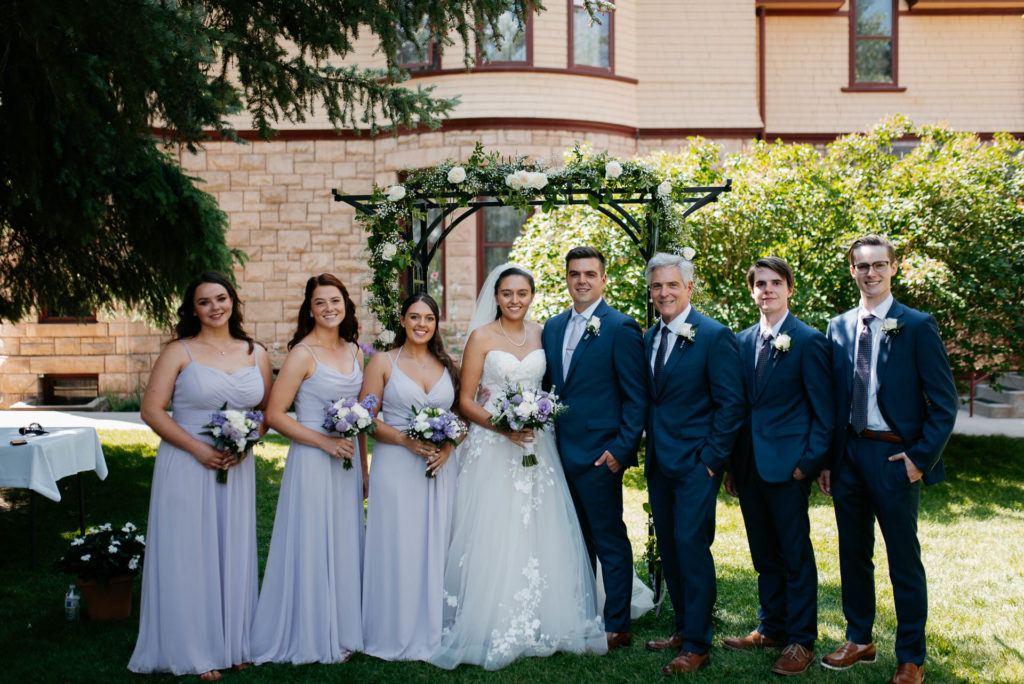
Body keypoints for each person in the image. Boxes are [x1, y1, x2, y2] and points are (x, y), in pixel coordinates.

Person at [429, 265, 607, 670]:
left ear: (531, 295)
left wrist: (535, 417)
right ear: (496, 297)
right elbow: (466, 400)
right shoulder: (481, 337)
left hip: (537, 443)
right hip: (494, 445)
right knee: (496, 524)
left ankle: (549, 612)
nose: (514, 301)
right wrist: (502, 426)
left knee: (542, 523)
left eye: (522, 293)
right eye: (507, 294)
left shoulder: (544, 332)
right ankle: (490, 611)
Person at [818, 235, 957, 684]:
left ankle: (910, 655)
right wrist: (827, 459)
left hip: (896, 455)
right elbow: (833, 400)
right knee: (852, 553)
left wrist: (920, 459)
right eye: (862, 266)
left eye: (879, 265)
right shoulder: (837, 326)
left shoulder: (916, 325)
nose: (871, 273)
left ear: (893, 268)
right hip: (849, 456)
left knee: (903, 558)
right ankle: (859, 639)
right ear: (852, 272)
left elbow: (944, 403)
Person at [129, 272, 273, 680]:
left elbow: (265, 412)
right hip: (187, 461)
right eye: (205, 301)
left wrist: (245, 443)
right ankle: (193, 649)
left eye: (221, 298)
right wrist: (199, 450)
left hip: (235, 465)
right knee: (189, 550)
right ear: (193, 308)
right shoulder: (179, 351)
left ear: (233, 302)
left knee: (231, 549)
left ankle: (233, 642)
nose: (215, 307)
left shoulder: (255, 352)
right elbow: (152, 410)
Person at [722, 256, 834, 676]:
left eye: (775, 283)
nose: (767, 290)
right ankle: (771, 627)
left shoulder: (808, 340)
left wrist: (809, 464)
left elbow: (825, 411)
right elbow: (739, 408)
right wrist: (734, 464)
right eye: (760, 284)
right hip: (749, 467)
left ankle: (801, 640)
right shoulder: (742, 340)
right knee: (763, 553)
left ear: (789, 289)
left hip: (790, 468)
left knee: (794, 555)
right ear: (752, 291)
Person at [251, 274, 366, 664]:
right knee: (314, 540)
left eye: (335, 301)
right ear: (310, 309)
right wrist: (324, 442)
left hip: (346, 461)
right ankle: (312, 631)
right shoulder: (303, 354)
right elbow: (275, 414)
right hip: (313, 458)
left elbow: (361, 416)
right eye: (320, 303)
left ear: (346, 305)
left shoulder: (355, 351)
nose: (329, 308)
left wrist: (363, 467)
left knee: (344, 540)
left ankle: (344, 625)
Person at [540, 246, 648, 651]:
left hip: (601, 456)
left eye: (589, 273)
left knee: (609, 540)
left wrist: (620, 451)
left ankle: (616, 624)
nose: (581, 280)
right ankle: (580, 613)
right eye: (574, 274)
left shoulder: (620, 328)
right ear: (566, 279)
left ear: (604, 279)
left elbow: (637, 398)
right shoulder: (551, 327)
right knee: (571, 539)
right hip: (556, 453)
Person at [642, 252, 745, 674]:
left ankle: (699, 645)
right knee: (670, 548)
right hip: (659, 464)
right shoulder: (649, 337)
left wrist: (710, 462)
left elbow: (731, 404)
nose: (663, 292)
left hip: (696, 466)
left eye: (671, 285)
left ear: (688, 288)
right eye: (656, 286)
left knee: (692, 548)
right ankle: (683, 629)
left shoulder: (714, 335)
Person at [360, 293, 460, 661]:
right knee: (399, 542)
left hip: (440, 466)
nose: (421, 324)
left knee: (437, 540)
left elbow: (461, 418)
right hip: (396, 465)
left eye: (429, 318)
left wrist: (449, 448)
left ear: (436, 323)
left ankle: (436, 624)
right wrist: (404, 439)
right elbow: (366, 419)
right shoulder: (383, 363)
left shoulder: (447, 364)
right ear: (402, 321)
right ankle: (395, 627)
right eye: (414, 317)